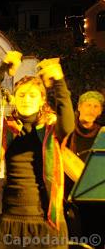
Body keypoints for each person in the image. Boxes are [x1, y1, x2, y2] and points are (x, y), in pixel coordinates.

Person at [0, 51, 75, 248]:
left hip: (46, 219)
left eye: (33, 95)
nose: (26, 99)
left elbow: (68, 124)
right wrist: (3, 67)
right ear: (14, 98)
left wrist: (58, 80)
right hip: (11, 219)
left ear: (41, 101)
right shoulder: (7, 128)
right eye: (21, 94)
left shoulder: (50, 129)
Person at [64, 90, 104, 248]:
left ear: (100, 111)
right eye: (88, 105)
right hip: (68, 199)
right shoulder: (67, 131)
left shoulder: (103, 133)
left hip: (96, 200)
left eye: (96, 106)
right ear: (79, 107)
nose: (91, 109)